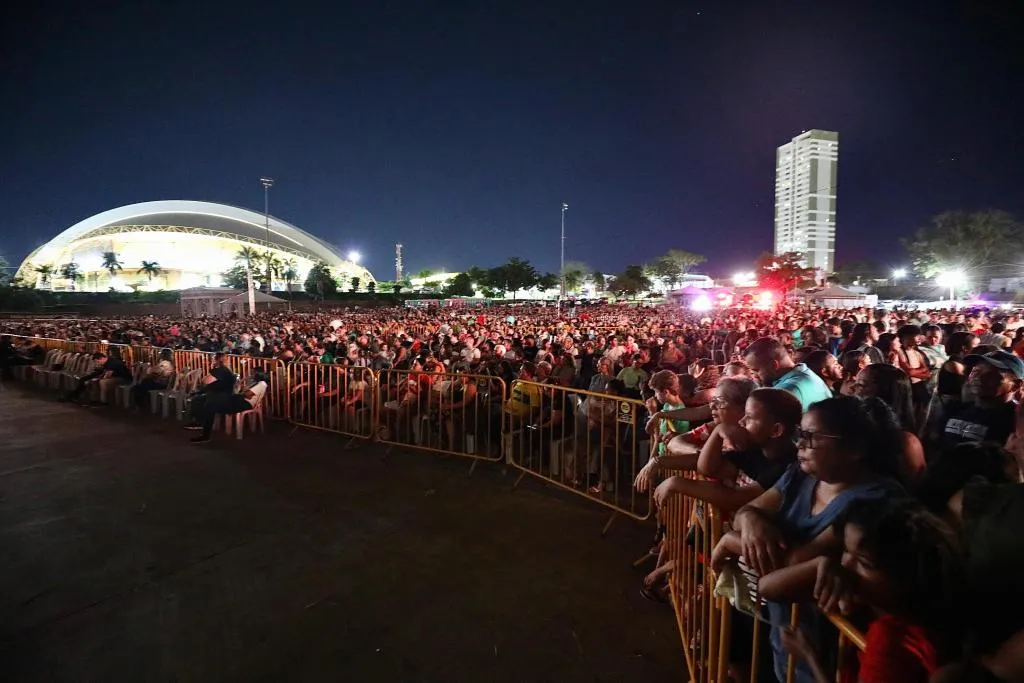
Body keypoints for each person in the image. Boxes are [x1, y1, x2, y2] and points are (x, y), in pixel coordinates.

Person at [711, 396, 905, 683]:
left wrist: (730, 540)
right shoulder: (801, 476)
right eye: (800, 434)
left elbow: (789, 563)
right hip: (789, 637)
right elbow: (748, 511)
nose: (799, 443)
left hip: (829, 656)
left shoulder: (874, 500)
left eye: (811, 437)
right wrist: (751, 520)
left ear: (855, 448)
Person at [779, 498, 964, 683]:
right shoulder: (936, 612)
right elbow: (769, 588)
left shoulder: (888, 642)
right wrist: (821, 562)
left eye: (864, 563)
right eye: (845, 550)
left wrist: (810, 656)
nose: (845, 565)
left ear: (903, 578)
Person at [940, 350, 1022, 449]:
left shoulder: (1016, 421)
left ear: (1016, 385)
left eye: (991, 375)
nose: (979, 378)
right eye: (975, 371)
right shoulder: (954, 409)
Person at [744, 337, 833, 410]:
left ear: (774, 365)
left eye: (756, 370)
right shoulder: (804, 373)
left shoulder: (787, 391)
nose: (754, 376)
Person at [190, 373, 267, 444]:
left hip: (243, 403)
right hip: (239, 400)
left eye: (254, 373)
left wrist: (244, 392)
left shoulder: (262, 384)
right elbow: (245, 393)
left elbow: (247, 394)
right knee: (212, 401)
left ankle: (204, 432)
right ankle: (202, 423)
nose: (252, 375)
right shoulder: (256, 383)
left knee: (211, 406)